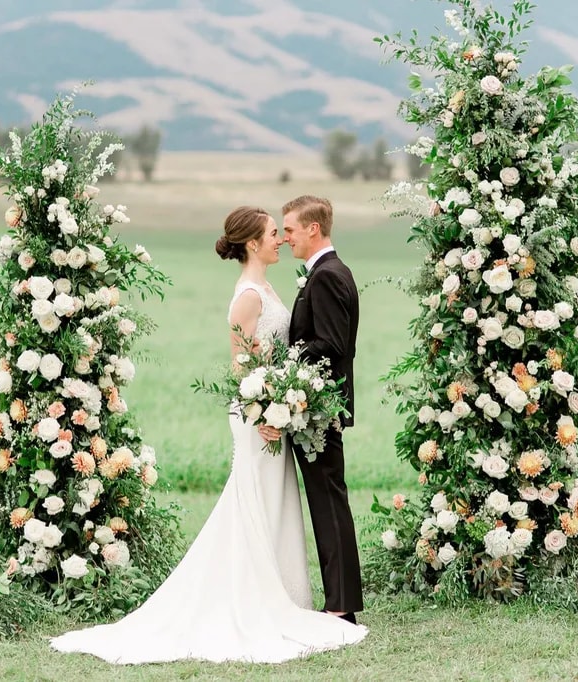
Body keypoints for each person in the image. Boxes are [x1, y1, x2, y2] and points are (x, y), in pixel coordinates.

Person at [49, 206, 367, 664]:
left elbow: (283, 348)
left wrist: (283, 392)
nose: (279, 239)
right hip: (259, 415)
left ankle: (283, 594)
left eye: (284, 231)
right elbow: (242, 366)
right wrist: (266, 403)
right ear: (253, 244)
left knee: (276, 503)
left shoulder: (271, 286)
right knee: (254, 501)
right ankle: (251, 599)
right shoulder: (248, 296)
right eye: (274, 233)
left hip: (276, 409)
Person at [279, 195, 363, 625]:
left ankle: (341, 607)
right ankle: (341, 602)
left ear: (314, 228)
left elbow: (330, 346)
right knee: (328, 502)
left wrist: (284, 361)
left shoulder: (327, 277)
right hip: (316, 408)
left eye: (290, 228)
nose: (285, 236)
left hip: (319, 411)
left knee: (329, 505)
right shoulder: (328, 272)